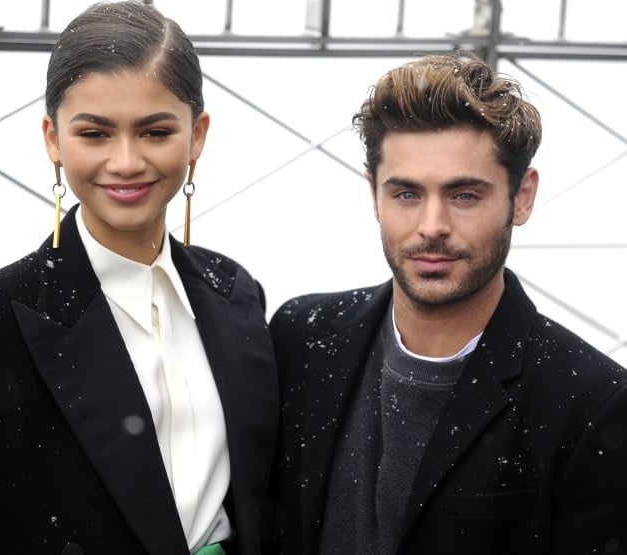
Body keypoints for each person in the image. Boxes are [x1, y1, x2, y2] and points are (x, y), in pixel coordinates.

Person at [0, 2, 278, 554]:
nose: (126, 162)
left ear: (197, 135)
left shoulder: (235, 293)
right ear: (52, 138)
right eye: (94, 134)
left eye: (156, 132)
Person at [265, 51, 627, 554]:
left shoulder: (592, 401)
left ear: (522, 197)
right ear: (374, 194)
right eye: (407, 195)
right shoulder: (301, 336)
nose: (432, 225)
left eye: (464, 195)